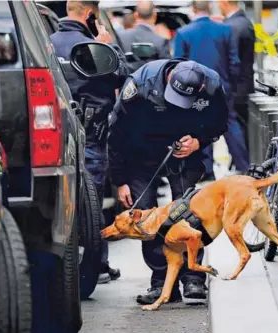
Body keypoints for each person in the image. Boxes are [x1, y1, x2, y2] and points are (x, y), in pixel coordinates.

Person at [108, 59, 229, 304]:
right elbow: (116, 133)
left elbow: (221, 122)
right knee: (145, 220)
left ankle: (193, 278)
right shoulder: (140, 85)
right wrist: (120, 180)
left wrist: (198, 141)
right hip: (141, 155)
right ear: (168, 77)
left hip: (184, 154)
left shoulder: (213, 85)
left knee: (189, 216)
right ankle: (162, 282)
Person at [50, 0, 129, 284]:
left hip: (56, 135)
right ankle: (98, 264)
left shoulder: (46, 43)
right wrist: (109, 45)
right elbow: (123, 78)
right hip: (92, 135)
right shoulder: (95, 49)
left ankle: (73, 263)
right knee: (91, 201)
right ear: (90, 15)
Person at [173, 0, 248, 179]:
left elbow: (177, 64)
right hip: (223, 86)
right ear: (209, 9)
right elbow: (234, 62)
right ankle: (244, 165)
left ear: (192, 10)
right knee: (229, 123)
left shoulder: (183, 33)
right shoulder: (224, 30)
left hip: (195, 88)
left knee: (199, 125)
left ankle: (207, 170)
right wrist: (230, 83)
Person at [219, 0, 255, 150]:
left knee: (238, 128)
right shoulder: (242, 22)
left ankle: (244, 165)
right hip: (242, 85)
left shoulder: (233, 26)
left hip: (237, 88)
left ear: (225, 2)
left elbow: (232, 60)